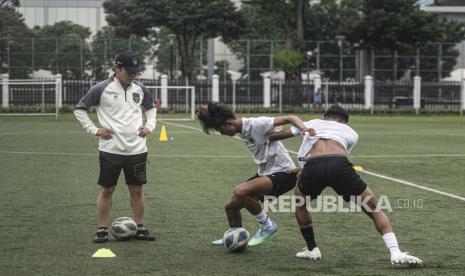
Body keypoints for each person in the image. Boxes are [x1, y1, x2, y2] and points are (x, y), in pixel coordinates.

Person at [268, 105, 422, 266]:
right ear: (345, 122)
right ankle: (395, 252)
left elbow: (274, 137)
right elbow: (337, 155)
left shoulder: (312, 122)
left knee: (300, 204)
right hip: (339, 164)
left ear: (325, 117)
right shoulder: (352, 133)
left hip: (313, 166)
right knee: (374, 209)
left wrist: (277, 127)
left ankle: (312, 249)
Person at [196, 103, 311, 246]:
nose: (222, 133)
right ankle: (235, 236)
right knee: (231, 207)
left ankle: (267, 226)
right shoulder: (242, 131)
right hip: (265, 173)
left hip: (284, 173)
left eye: (221, 130)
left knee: (240, 191)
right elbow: (270, 135)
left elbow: (291, 117)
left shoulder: (256, 123)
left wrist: (303, 128)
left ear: (229, 123)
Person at [74, 53, 156, 243]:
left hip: (137, 150)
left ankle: (140, 226)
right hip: (111, 150)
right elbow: (80, 109)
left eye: (135, 72)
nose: (132, 75)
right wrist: (94, 129)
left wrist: (149, 126)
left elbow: (151, 108)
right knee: (107, 190)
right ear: (117, 69)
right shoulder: (101, 88)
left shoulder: (140, 88)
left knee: (137, 190)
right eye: (129, 72)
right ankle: (102, 228)